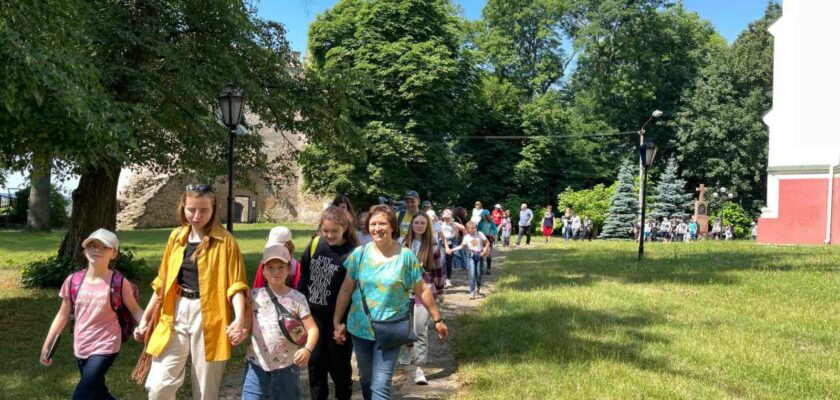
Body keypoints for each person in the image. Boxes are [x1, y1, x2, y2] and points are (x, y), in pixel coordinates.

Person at [136, 184, 249, 400]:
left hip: (210, 316)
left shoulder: (226, 242)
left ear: (214, 209)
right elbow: (162, 283)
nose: (197, 216)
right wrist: (145, 319)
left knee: (205, 392)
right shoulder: (176, 237)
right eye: (191, 209)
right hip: (175, 311)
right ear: (183, 207)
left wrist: (239, 318)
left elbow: (236, 285)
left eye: (204, 210)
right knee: (159, 387)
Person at [333, 205, 449, 400]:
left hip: (391, 328)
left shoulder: (405, 256)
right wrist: (337, 320)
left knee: (381, 384)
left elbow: (422, 289)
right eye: (373, 224)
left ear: (393, 227)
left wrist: (437, 319)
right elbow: (346, 289)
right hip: (360, 328)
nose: (377, 228)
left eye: (382, 224)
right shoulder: (359, 254)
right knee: (366, 379)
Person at [40, 229, 144, 400]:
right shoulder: (73, 281)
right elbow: (62, 315)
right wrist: (46, 346)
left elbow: (136, 310)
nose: (97, 250)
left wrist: (149, 326)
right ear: (85, 250)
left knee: (82, 394)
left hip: (106, 344)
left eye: (104, 247)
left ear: (114, 253)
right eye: (93, 246)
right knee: (97, 392)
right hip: (81, 344)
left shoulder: (119, 282)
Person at [242, 245, 319, 400]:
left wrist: (307, 350)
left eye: (281, 267)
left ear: (289, 269)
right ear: (263, 270)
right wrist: (238, 333)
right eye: (270, 267)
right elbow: (246, 327)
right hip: (256, 364)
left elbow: (312, 330)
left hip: (287, 366)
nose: (275, 272)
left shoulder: (297, 298)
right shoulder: (254, 296)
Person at [298, 206, 359, 400]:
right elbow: (304, 275)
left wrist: (343, 323)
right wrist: (299, 306)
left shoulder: (353, 253)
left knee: (339, 366)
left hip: (339, 319)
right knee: (315, 365)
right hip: (313, 316)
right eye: (325, 230)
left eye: (334, 231)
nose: (329, 235)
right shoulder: (316, 244)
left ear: (345, 229)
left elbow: (353, 290)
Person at [396, 213, 445, 385]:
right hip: (404, 291)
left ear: (427, 226)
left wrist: (440, 291)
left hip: (424, 291)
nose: (419, 225)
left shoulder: (433, 246)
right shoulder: (402, 244)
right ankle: (408, 348)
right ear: (411, 225)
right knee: (405, 326)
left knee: (420, 328)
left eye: (422, 223)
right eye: (416, 222)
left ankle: (420, 368)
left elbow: (439, 270)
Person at [448, 221, 490, 300]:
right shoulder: (466, 237)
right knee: (472, 274)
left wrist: (485, 250)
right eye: (472, 228)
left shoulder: (480, 234)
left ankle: (478, 286)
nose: (474, 230)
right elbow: (461, 246)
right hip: (471, 256)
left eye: (475, 228)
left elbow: (487, 242)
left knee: (478, 274)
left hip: (480, 255)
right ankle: (472, 292)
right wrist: (452, 250)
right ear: (468, 230)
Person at [439, 209, 464, 287]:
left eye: (448, 217)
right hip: (442, 242)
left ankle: (448, 279)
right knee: (442, 261)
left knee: (448, 262)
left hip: (451, 243)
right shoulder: (440, 223)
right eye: (445, 217)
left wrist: (454, 225)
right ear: (443, 217)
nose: (446, 219)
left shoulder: (453, 223)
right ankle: (442, 279)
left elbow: (463, 228)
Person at [477, 210, 496, 274]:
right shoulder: (480, 222)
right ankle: (481, 268)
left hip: (489, 238)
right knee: (481, 253)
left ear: (486, 216)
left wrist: (492, 233)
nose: (481, 217)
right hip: (482, 239)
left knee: (488, 254)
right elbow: (478, 230)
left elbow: (495, 230)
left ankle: (488, 269)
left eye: (482, 216)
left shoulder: (491, 222)